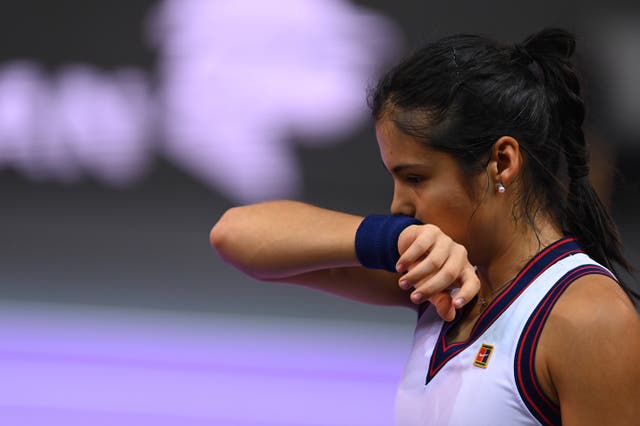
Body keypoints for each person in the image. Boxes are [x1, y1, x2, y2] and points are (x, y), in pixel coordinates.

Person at [210, 28, 640, 425]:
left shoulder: (590, 319)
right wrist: (393, 239)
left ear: (501, 162)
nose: (398, 204)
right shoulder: (439, 274)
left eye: (415, 178)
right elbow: (235, 234)